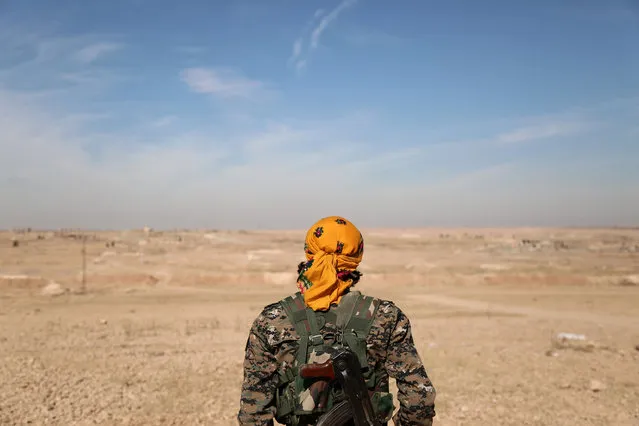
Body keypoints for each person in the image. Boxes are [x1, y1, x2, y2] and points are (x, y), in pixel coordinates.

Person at [238, 216, 436, 425]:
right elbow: (419, 398)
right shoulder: (386, 316)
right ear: (356, 257)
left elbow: (253, 410)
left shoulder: (272, 320)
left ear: (309, 252)